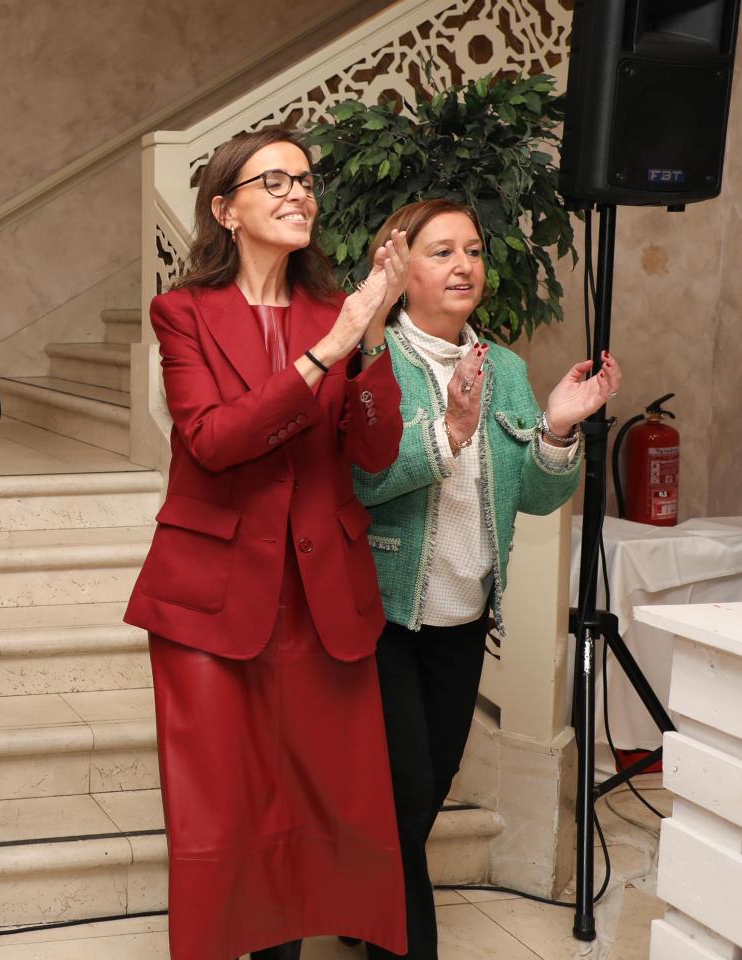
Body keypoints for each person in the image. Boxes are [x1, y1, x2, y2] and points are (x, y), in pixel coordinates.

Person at [123, 125, 411, 960]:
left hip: (324, 599)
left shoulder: (340, 314)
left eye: (306, 180)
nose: (299, 194)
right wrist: (330, 350)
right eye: (275, 181)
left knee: (323, 802)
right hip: (212, 599)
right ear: (226, 209)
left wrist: (372, 340)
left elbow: (375, 451)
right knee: (223, 808)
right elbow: (213, 441)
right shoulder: (183, 313)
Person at [353, 198, 621, 960]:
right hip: (381, 618)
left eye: (471, 250)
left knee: (427, 789)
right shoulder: (374, 361)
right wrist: (448, 433)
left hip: (466, 618)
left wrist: (558, 428)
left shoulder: (503, 368)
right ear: (398, 268)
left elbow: (534, 496)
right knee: (406, 797)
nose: (464, 265)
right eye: (441, 251)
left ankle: (358, 907)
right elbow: (363, 481)